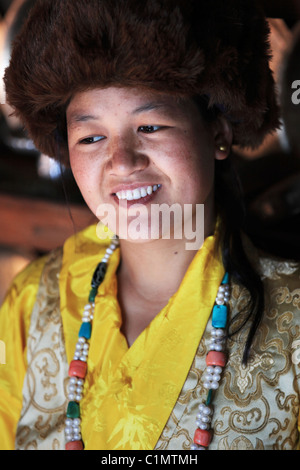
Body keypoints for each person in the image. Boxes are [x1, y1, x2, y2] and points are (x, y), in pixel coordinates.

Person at [0, 0, 299, 451]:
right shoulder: (33, 300)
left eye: (151, 125)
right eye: (91, 136)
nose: (121, 161)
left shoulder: (293, 322)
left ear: (217, 132)